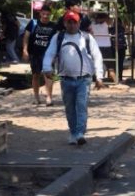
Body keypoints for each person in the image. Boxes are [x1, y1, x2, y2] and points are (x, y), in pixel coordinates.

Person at [42, 11, 105, 145]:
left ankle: (80, 133)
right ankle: (73, 133)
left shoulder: (87, 38)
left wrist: (99, 76)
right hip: (65, 79)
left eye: (74, 22)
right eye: (69, 22)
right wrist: (47, 68)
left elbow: (97, 56)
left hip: (84, 79)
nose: (71, 25)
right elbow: (49, 53)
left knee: (81, 106)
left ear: (79, 23)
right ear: (65, 23)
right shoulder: (58, 38)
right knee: (70, 108)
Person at [22, 4, 58, 105]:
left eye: (47, 14)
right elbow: (26, 37)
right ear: (40, 14)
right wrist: (25, 50)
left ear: (50, 15)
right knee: (35, 75)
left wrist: (56, 54)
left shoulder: (53, 26)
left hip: (48, 54)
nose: (45, 16)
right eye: (44, 14)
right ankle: (36, 97)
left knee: (48, 75)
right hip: (35, 53)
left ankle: (49, 98)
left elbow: (57, 41)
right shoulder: (33, 23)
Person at [91, 12, 115, 82]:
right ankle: (115, 81)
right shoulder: (105, 24)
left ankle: (97, 81)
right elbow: (110, 21)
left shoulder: (92, 25)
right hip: (106, 46)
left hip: (97, 46)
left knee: (95, 64)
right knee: (110, 67)